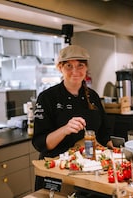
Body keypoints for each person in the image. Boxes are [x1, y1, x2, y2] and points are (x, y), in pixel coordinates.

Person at [32, 45, 113, 190]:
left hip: (90, 170)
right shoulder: (47, 98)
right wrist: (65, 129)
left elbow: (103, 133)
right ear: (60, 68)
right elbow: (40, 143)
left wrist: (115, 155)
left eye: (80, 65)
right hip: (58, 172)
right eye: (69, 65)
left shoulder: (93, 96)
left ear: (86, 68)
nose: (75, 71)